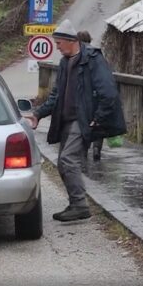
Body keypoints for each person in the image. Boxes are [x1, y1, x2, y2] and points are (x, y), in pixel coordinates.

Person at [27, 20, 126, 222]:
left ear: (70, 41)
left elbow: (108, 93)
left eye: (58, 43)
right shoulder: (65, 63)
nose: (57, 47)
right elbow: (56, 95)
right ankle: (75, 204)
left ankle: (80, 205)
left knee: (68, 159)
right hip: (67, 119)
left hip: (83, 120)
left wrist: (97, 118)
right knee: (63, 163)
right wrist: (38, 114)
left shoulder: (92, 59)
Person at [77, 30, 104, 162]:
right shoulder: (97, 54)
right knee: (98, 122)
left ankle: (84, 152)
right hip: (97, 95)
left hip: (83, 97)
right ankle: (97, 148)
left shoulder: (76, 55)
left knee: (84, 123)